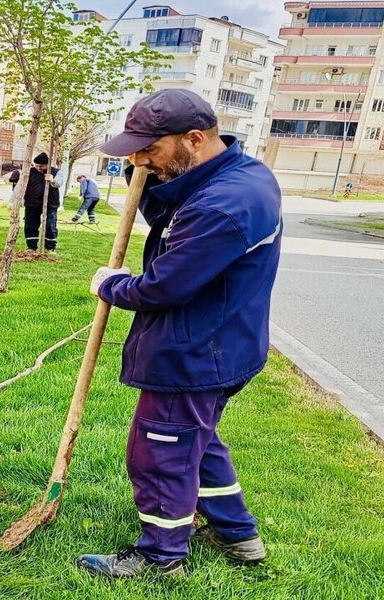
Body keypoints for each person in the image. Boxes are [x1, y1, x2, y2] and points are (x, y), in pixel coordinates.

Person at [76, 89, 282, 578]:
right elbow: (171, 219)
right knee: (198, 441)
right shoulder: (236, 175)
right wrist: (145, 174)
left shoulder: (224, 205)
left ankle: (161, 557)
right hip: (225, 344)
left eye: (150, 150)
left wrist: (112, 284)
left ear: (194, 138)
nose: (140, 160)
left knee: (161, 452)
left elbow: (164, 287)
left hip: (195, 351)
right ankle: (238, 533)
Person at [9, 152, 66, 251]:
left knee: (50, 225)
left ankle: (50, 247)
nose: (39, 168)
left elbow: (59, 183)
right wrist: (12, 201)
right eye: (37, 165)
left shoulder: (56, 172)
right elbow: (19, 187)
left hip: (50, 203)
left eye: (42, 166)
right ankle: (31, 247)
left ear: (48, 165)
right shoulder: (29, 172)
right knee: (30, 225)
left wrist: (52, 180)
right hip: (32, 203)